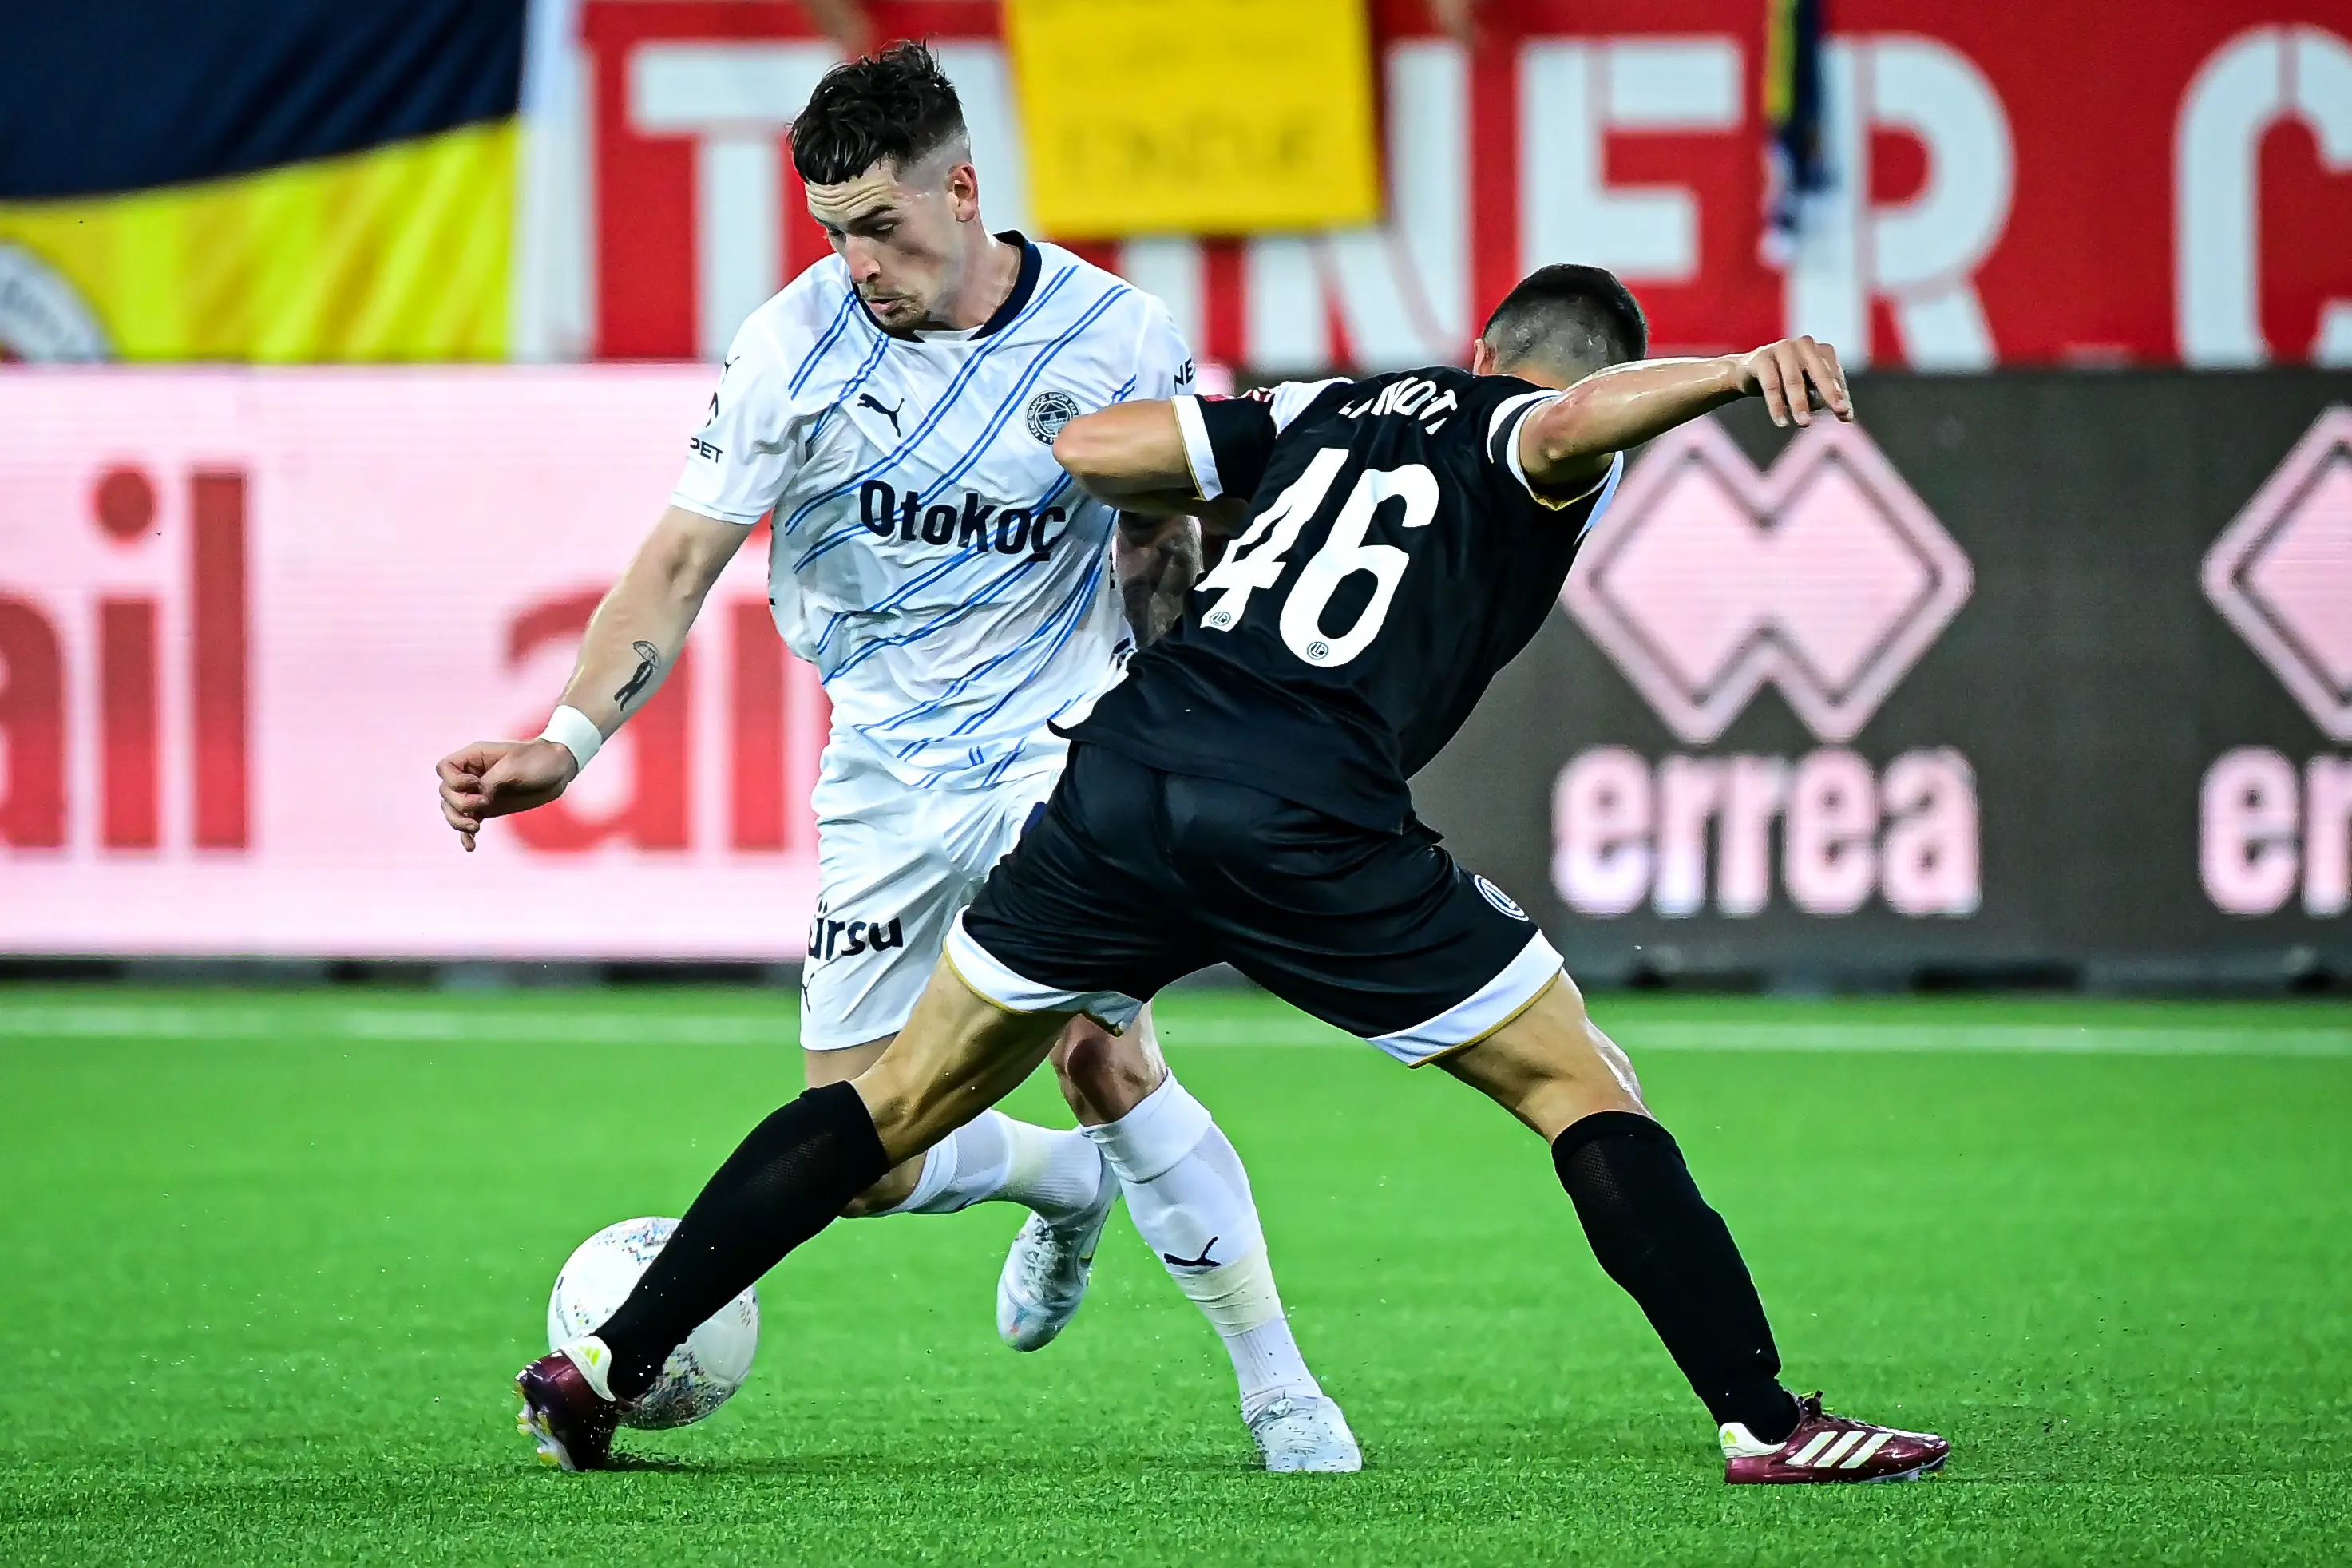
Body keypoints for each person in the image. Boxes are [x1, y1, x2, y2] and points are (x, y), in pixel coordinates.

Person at [513, 263, 1951, 1484]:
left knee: (882, 1106)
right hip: (1303, 811)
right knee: (1579, 1088)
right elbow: (1574, 417)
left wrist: (1144, 432)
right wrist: (1732, 372)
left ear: (1475, 342)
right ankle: (1764, 1425)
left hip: (1126, 776)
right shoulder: (1530, 433)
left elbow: (1100, 453)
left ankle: (604, 1366)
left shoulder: (1317, 413)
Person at [442, 43, 1354, 1473]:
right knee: (855, 1152)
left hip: (1064, 748)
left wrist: (1174, 722)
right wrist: (568, 737)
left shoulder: (1116, 336)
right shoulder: (790, 347)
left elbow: (1165, 543)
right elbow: (680, 558)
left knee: (1103, 1053)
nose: (859, 262)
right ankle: (1059, 1189)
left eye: (880, 225)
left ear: (964, 189)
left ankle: (1282, 1392)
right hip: (884, 771)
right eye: (833, 233)